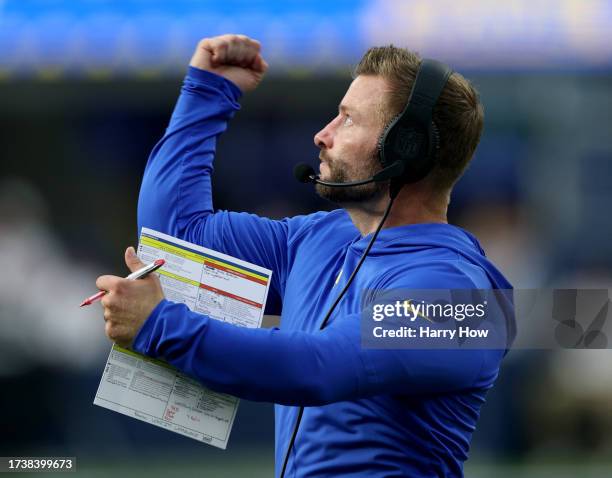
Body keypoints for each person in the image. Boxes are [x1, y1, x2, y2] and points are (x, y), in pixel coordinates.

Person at [96, 34, 514, 477]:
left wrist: (161, 326)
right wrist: (208, 92)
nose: (323, 134)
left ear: (405, 150)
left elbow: (316, 367)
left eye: (348, 120)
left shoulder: (456, 293)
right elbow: (174, 239)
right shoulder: (321, 238)